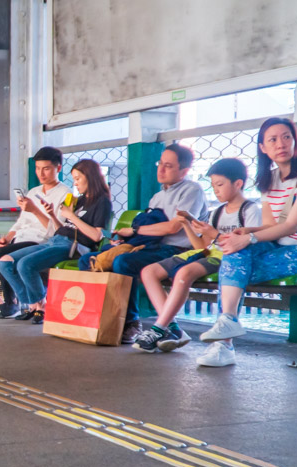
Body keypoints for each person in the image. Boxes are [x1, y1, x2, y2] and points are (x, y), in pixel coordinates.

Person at [197, 118, 297, 367]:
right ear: (263, 147)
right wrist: (247, 231)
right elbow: (270, 226)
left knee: (237, 264)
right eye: (272, 139)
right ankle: (227, 327)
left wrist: (250, 238)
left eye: (286, 137)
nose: (280, 144)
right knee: (233, 250)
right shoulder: (268, 180)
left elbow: (292, 225)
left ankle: (224, 343)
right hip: (283, 244)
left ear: (296, 141)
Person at [78, 143, 208, 344]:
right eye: (160, 164)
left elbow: (173, 227)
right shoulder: (157, 196)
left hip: (177, 249)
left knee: (123, 262)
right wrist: (125, 240)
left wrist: (136, 231)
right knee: (89, 260)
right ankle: (100, 318)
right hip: (151, 246)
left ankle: (131, 322)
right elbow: (151, 230)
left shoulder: (191, 190)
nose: (161, 169)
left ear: (184, 171)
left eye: (168, 166)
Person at [134, 158, 261, 354]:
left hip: (225, 259)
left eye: (220, 185)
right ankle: (173, 328)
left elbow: (245, 247)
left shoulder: (250, 210)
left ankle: (158, 328)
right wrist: (187, 225)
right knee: (149, 272)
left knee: (183, 274)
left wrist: (214, 234)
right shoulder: (217, 212)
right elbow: (201, 246)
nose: (216, 190)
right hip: (205, 254)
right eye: (213, 186)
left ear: (238, 184)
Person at [0, 147, 71, 317]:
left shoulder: (65, 194)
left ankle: (12, 303)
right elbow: (21, 222)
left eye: (46, 168)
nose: (41, 173)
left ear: (58, 168)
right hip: (18, 240)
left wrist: (35, 211)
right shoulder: (34, 192)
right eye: (38, 168)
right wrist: (7, 237)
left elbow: (56, 232)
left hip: (38, 243)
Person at [0, 159, 113, 324]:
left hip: (73, 246)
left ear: (91, 177)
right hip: (56, 239)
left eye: (78, 178)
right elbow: (63, 227)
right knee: (5, 262)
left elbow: (96, 236)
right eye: (74, 179)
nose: (75, 183)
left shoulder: (102, 202)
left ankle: (42, 308)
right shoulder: (78, 200)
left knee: (25, 265)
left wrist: (72, 216)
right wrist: (52, 215)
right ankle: (33, 305)